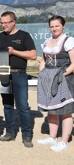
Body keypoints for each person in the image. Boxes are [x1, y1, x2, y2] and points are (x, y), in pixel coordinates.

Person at [0, 11, 36, 148]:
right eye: (1, 23)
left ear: (13, 22)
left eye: (6, 23)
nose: (3, 25)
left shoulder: (24, 36)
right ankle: (9, 132)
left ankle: (26, 135)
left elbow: (33, 55)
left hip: (20, 75)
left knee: (23, 107)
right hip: (4, 75)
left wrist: (14, 52)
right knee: (7, 106)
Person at [36, 15, 74, 152]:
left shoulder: (68, 41)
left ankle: (64, 141)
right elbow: (43, 61)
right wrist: (42, 74)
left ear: (63, 25)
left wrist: (63, 75)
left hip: (62, 78)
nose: (54, 28)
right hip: (47, 78)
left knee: (65, 111)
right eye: (52, 26)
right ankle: (52, 137)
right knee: (51, 108)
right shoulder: (47, 41)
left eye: (57, 26)